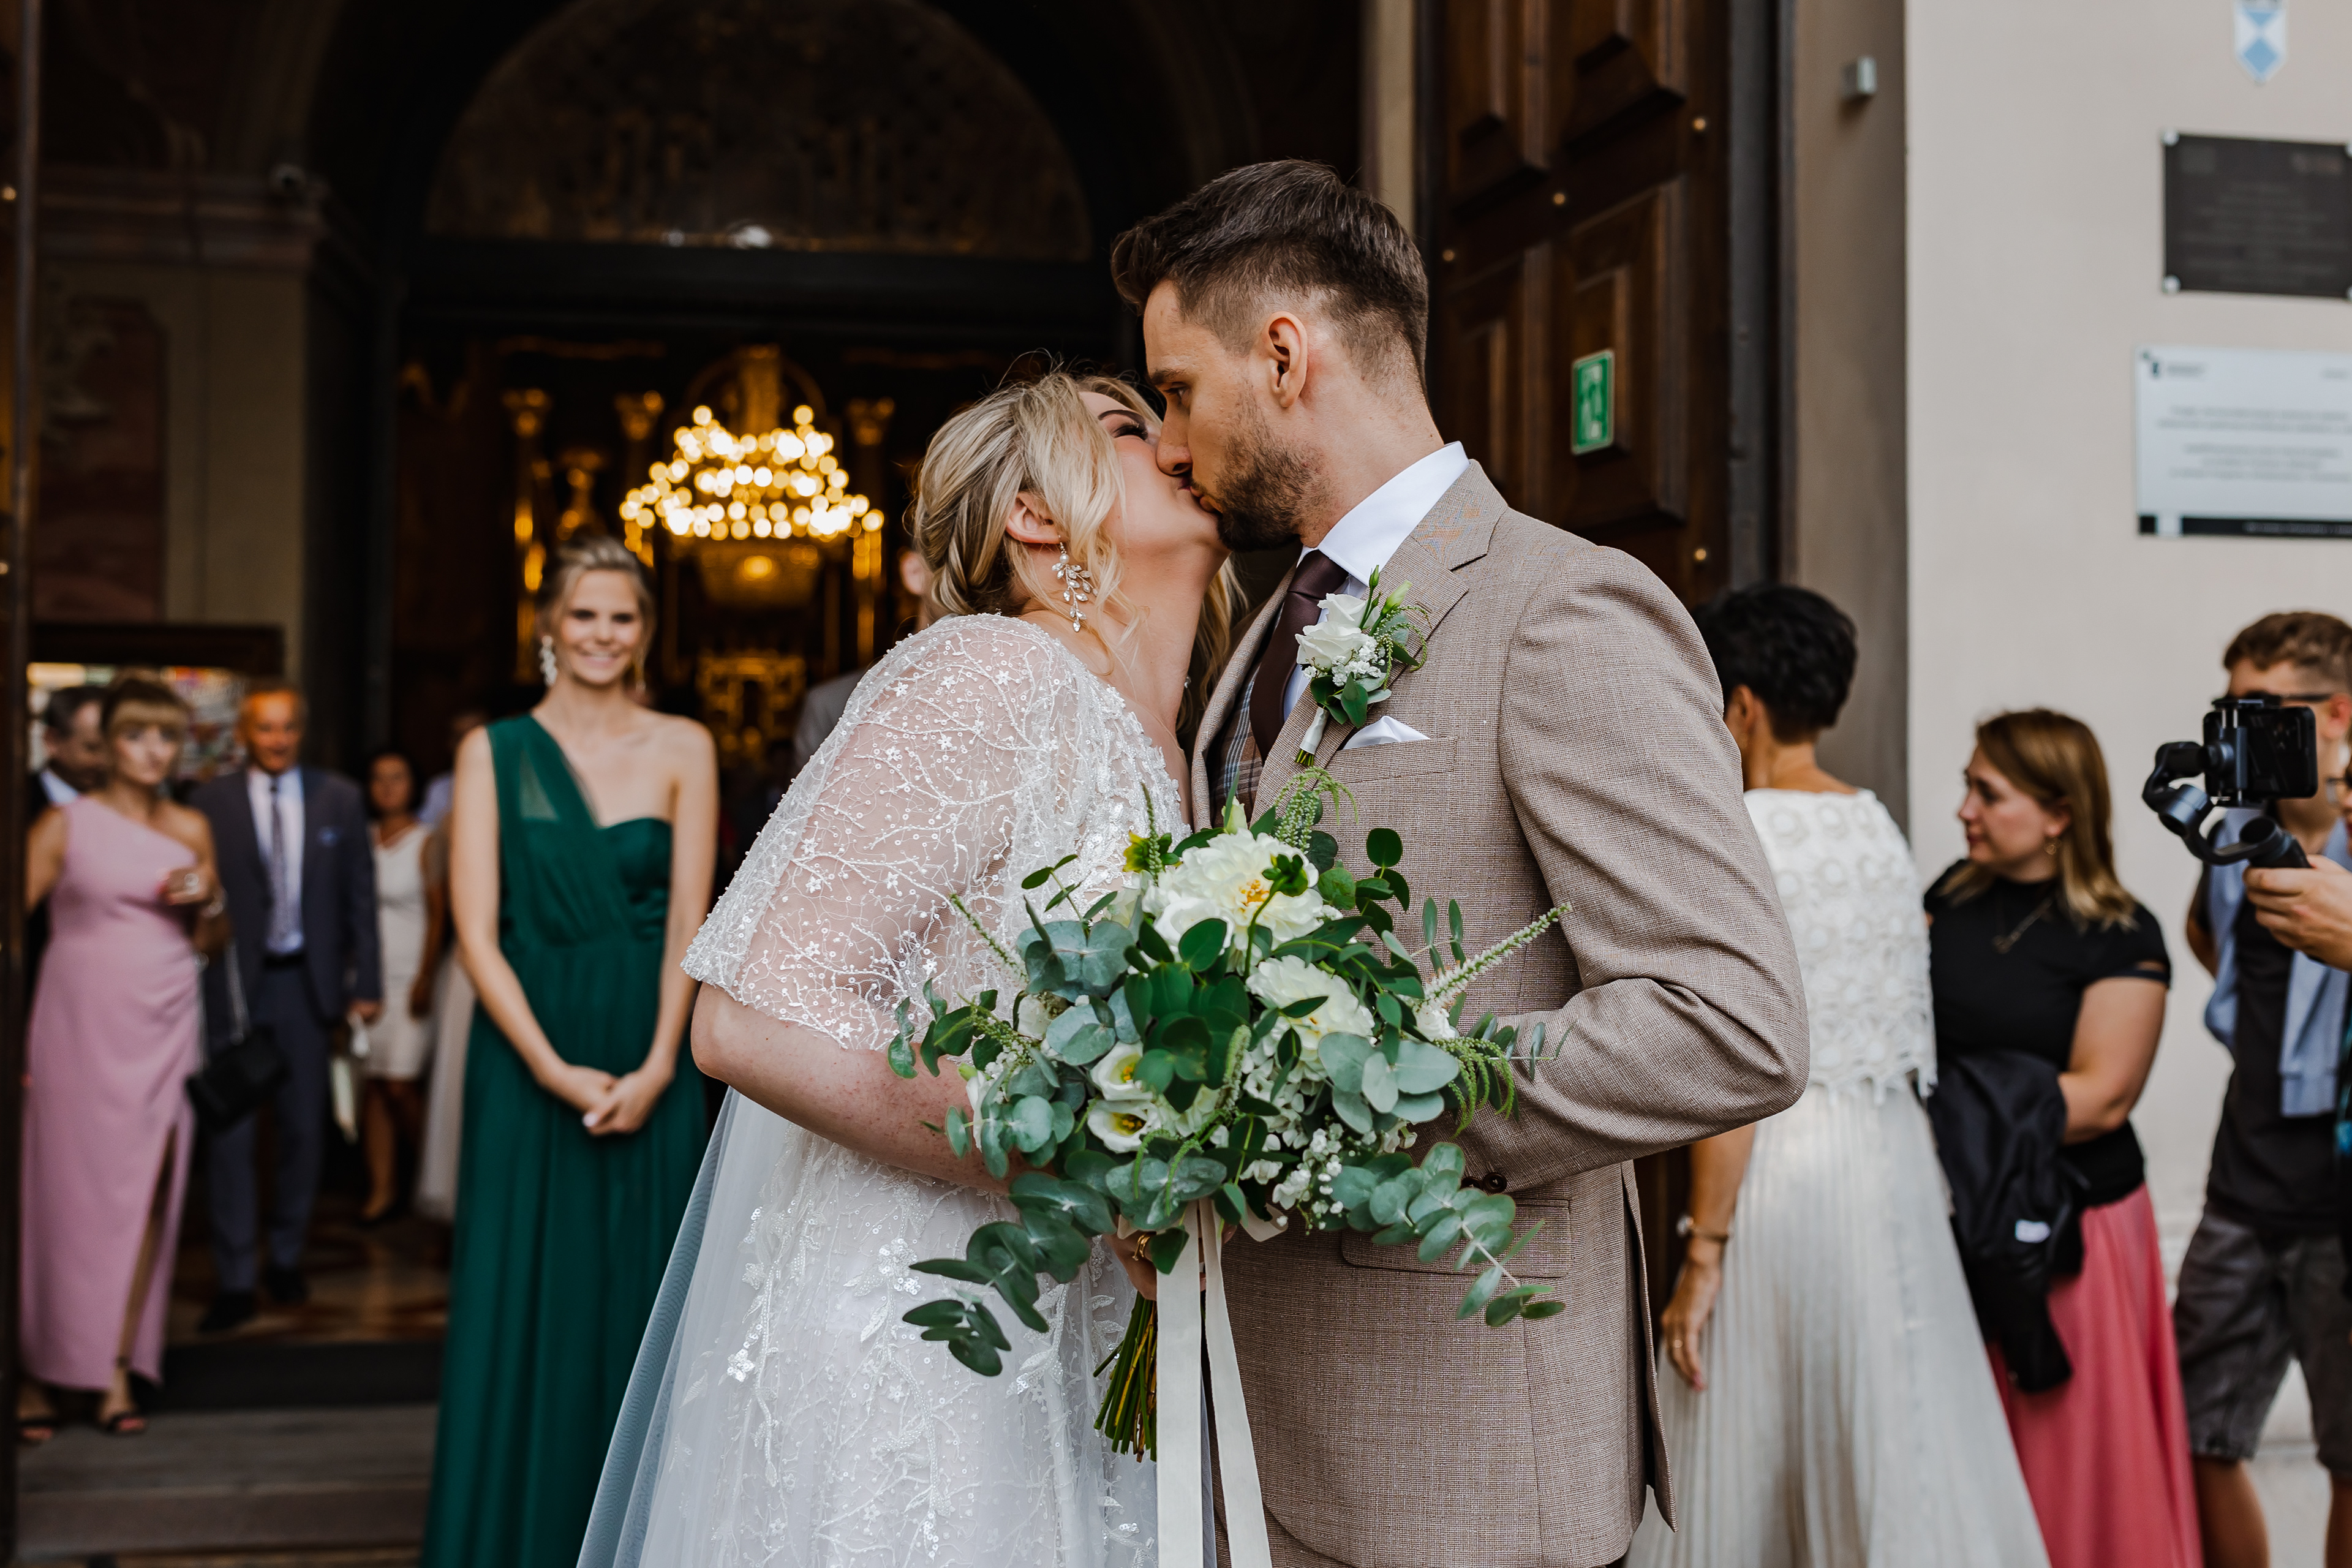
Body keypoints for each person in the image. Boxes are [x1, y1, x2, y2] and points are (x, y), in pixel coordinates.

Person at [1127, 160, 1810, 1567]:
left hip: (1464, 1453)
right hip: (1263, 1423)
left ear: (1283, 355)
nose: (1170, 447)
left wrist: (1355, 1091)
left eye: (1179, 392)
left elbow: (1728, 1020)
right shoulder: (1267, 629)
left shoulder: (1561, 608)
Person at [581, 371, 1227, 1566]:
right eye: (1133, 428)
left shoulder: (1194, 746)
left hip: (1088, 1315)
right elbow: (751, 1019)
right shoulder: (990, 675)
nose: (1180, 442)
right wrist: (1072, 1158)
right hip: (931, 1324)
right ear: (1035, 513)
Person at [1628, 586, 2046, 1567]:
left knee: (1745, 1426)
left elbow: (1737, 1060)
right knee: (1896, 1423)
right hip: (1891, 1170)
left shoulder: (1740, 832)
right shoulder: (1877, 826)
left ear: (1740, 706)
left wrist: (1703, 1252)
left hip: (1781, 1174)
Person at [421, 535, 716, 1568]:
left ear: (646, 632)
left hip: (651, 1048)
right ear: (549, 625)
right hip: (527, 1054)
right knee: (520, 1303)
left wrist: (659, 1064)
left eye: (622, 617)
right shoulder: (492, 751)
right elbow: (475, 933)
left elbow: (693, 925)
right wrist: (549, 1069)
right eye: (584, 615)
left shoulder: (684, 746)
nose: (602, 634)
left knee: (639, 1305)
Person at [1923, 709, 2193, 1568]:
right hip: (1960, 1210)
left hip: (2073, 1225)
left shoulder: (2121, 933)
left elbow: (2102, 1097)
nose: (1964, 809)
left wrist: (1944, 1124)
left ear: (2059, 814)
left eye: (1988, 793)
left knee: (2073, 1457)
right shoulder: (1949, 899)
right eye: (1967, 786)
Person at [2168, 611, 2352, 1568]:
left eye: (2261, 707)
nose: (2237, 726)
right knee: (2197, 1429)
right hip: (2242, 1184)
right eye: (2229, 704)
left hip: (2339, 1200)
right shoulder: (2240, 837)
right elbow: (2210, 944)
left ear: (2336, 713)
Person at [18, 678, 227, 1439]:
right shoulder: (62, 825)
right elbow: (13, 934)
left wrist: (209, 900)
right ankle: (38, 1372)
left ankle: (113, 1367)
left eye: (167, 736)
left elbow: (213, 943)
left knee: (145, 1198)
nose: (153, 751)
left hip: (165, 1028)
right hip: (77, 1031)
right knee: (62, 1202)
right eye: (137, 735)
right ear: (107, 745)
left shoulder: (191, 827)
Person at [189, 684, 382, 1333]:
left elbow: (361, 896)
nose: (277, 739)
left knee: (304, 1130)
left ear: (303, 731)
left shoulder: (340, 797)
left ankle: (287, 1257)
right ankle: (236, 1277)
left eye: (288, 727)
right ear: (245, 733)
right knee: (231, 1135)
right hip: (233, 987)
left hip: (308, 985)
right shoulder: (208, 802)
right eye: (265, 728)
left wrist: (367, 979)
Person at [358, 748, 442, 1224]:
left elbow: (440, 916)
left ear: (414, 785)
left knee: (400, 1084)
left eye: (398, 777)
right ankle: (381, 1190)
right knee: (373, 1085)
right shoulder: (361, 838)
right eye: (378, 778)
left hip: (411, 975)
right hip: (368, 979)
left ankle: (430, 1177)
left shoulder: (427, 841)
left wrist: (426, 976)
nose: (388, 786)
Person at [26, 685, 110, 987]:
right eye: (92, 748)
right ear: (52, 741)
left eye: (111, 747)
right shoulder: (15, 806)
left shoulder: (128, 811)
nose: (104, 761)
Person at [411, 817, 470, 1226]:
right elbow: (440, 911)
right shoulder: (452, 827)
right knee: (457, 1085)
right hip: (471, 966)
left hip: (546, 967)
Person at [417, 708, 486, 829]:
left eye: (475, 736)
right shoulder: (439, 788)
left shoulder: (511, 783)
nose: (468, 744)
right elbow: (426, 831)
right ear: (450, 743)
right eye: (460, 737)